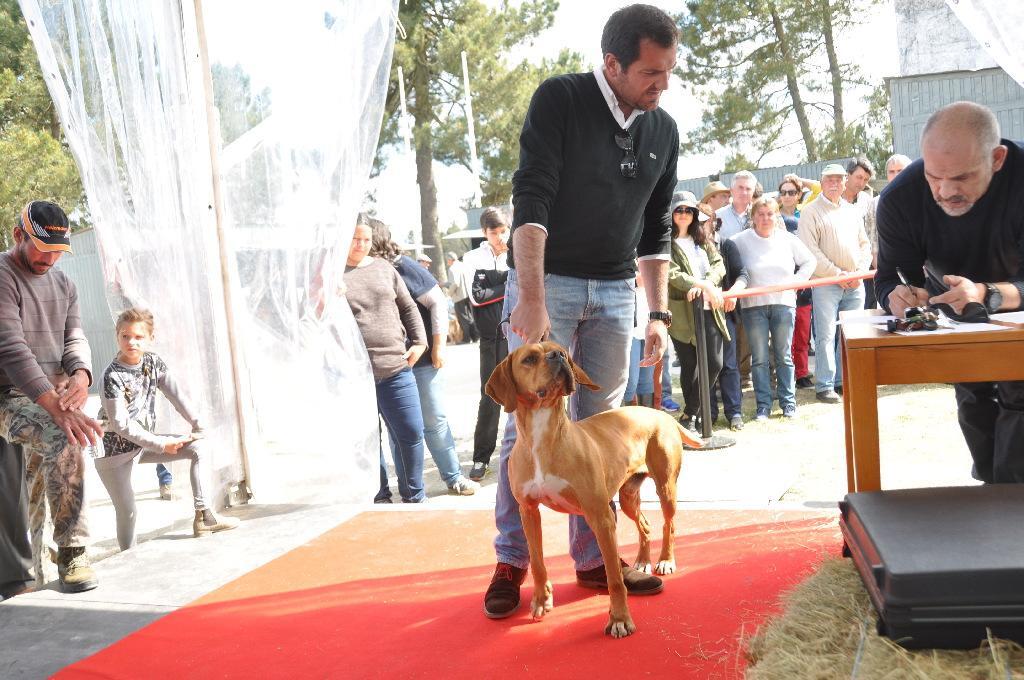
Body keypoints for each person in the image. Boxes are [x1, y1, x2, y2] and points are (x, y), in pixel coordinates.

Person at [484, 4, 679, 619]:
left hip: (619, 292)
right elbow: (531, 196)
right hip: (550, 285)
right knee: (523, 425)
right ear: (613, 64)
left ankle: (594, 559)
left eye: (669, 70)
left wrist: (658, 314)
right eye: (651, 72)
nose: (663, 83)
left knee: (600, 428)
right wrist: (533, 295)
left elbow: (657, 227)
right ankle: (511, 561)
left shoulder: (663, 129)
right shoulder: (561, 99)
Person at [876, 101, 1024, 483]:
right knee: (972, 393)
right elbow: (888, 278)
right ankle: (991, 486)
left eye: (961, 178)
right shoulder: (900, 198)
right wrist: (898, 296)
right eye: (934, 177)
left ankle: (1009, 498)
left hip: (1014, 302)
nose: (945, 191)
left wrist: (988, 294)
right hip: (953, 306)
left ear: (997, 159)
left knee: (1019, 393)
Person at [0, 200, 103, 592]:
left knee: (41, 489)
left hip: (49, 397)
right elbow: (10, 348)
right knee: (63, 435)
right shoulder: (3, 275)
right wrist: (56, 409)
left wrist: (81, 375)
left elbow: (74, 337)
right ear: (18, 235)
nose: (50, 259)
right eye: (43, 248)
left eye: (58, 251)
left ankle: (47, 566)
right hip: (8, 396)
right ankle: (73, 550)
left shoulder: (65, 285)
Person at [94, 308, 239, 551]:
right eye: (125, 336)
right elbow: (121, 425)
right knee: (128, 511)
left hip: (144, 444)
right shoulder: (111, 376)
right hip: (114, 451)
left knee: (199, 447)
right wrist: (162, 444)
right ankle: (129, 558)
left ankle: (204, 517)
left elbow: (177, 395)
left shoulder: (153, 362)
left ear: (150, 338)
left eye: (139, 337)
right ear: (117, 336)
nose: (131, 342)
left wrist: (198, 424)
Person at [368, 218, 480, 496]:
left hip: (422, 362)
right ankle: (407, 488)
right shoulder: (363, 270)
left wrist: (438, 346)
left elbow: (437, 301)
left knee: (434, 421)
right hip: (389, 365)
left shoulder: (401, 266)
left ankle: (453, 476)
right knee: (398, 430)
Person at [343, 218, 429, 503]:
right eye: (355, 239)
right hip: (353, 375)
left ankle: (414, 495)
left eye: (366, 239)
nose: (361, 245)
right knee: (366, 441)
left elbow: (408, 307)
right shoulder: (330, 274)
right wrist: (326, 294)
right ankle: (379, 495)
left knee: (411, 432)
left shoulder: (384, 268)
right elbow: (313, 316)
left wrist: (420, 342)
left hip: (395, 367)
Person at [732, 197, 815, 419]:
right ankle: (763, 405)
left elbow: (809, 261)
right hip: (753, 306)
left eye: (770, 214)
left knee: (783, 356)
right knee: (759, 358)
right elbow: (727, 256)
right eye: (760, 214)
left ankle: (789, 403)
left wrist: (797, 282)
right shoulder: (740, 240)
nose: (765, 218)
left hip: (783, 304)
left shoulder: (788, 239)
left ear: (777, 216)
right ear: (753, 217)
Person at [798, 163, 871, 404]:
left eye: (838, 179)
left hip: (855, 282)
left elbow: (865, 244)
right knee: (826, 335)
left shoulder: (852, 211)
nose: (834, 184)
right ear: (821, 182)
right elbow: (810, 251)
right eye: (829, 179)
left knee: (850, 334)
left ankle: (843, 380)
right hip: (826, 283)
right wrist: (838, 274)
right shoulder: (810, 212)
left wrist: (860, 271)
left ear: (844, 182)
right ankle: (825, 385)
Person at [666, 192, 727, 431]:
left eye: (688, 210)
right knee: (689, 366)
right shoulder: (666, 242)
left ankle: (690, 413)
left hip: (709, 308)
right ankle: (693, 418)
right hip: (682, 313)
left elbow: (718, 264)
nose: (684, 214)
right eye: (679, 210)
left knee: (714, 363)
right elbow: (672, 274)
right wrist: (701, 285)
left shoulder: (702, 239)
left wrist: (708, 284)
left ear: (694, 214)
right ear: (671, 214)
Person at [463, 206, 510, 481]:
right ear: (484, 232)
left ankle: (525, 452)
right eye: (494, 232)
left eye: (503, 231)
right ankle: (481, 458)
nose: (500, 237)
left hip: (516, 334)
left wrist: (509, 273)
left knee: (526, 394)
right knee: (490, 396)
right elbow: (477, 296)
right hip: (491, 339)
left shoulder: (515, 253)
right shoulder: (472, 258)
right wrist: (511, 282)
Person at [706, 212, 749, 430]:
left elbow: (743, 274)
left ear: (714, 222)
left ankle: (734, 413)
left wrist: (733, 293)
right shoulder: (689, 247)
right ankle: (708, 413)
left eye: (706, 220)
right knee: (705, 365)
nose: (702, 225)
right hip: (699, 316)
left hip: (725, 314)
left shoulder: (726, 245)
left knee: (729, 364)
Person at [778, 176, 814, 389]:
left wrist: (799, 179)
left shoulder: (805, 216)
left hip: (803, 283)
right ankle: (786, 374)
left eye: (792, 192)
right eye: (783, 192)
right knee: (784, 336)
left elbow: (818, 188)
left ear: (799, 195)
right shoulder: (772, 216)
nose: (787, 196)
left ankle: (802, 373)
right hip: (781, 284)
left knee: (802, 332)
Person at [842, 156, 877, 308]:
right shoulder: (833, 198)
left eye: (866, 179)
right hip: (838, 267)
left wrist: (874, 264)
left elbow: (872, 235)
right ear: (848, 174)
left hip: (864, 266)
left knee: (867, 309)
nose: (861, 183)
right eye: (859, 177)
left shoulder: (867, 201)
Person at [445, 251, 478, 344]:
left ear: (450, 259)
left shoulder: (452, 268)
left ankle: (466, 339)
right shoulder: (463, 265)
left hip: (459, 296)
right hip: (468, 295)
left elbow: (455, 283)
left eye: (447, 260)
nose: (447, 261)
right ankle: (475, 337)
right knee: (470, 317)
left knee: (463, 318)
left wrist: (449, 294)